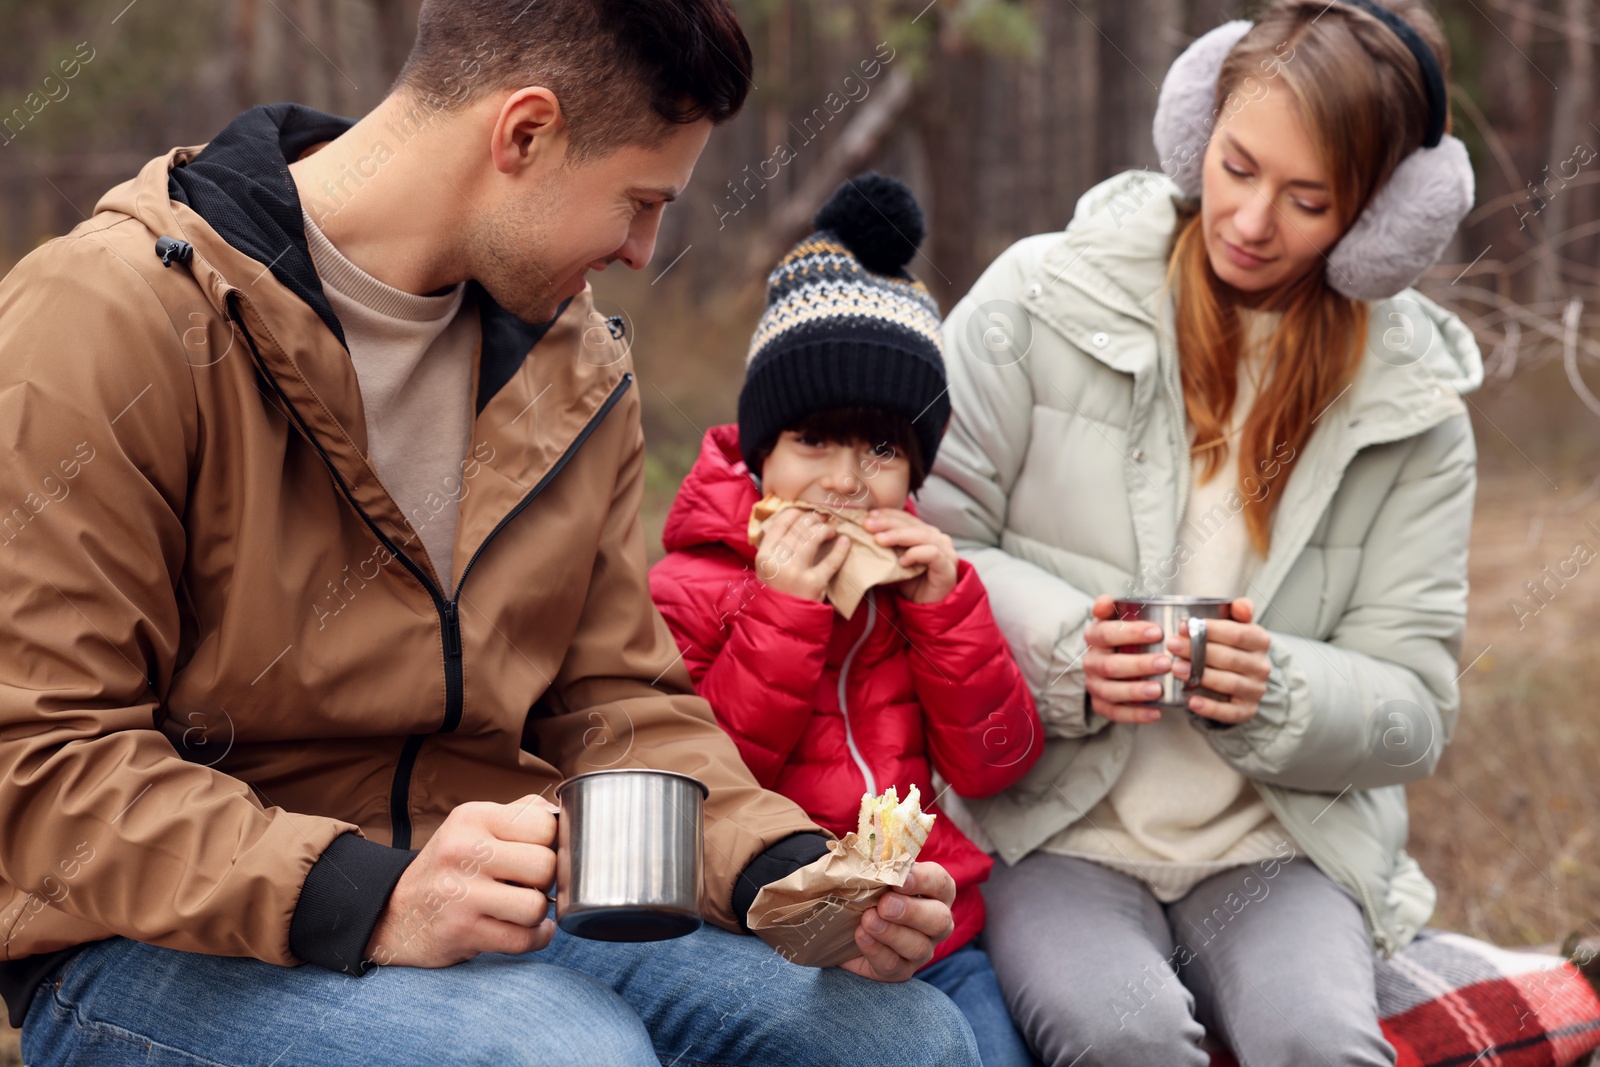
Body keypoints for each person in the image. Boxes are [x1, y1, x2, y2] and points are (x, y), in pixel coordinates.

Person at [0, 3, 981, 1065]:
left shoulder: (573, 370)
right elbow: (39, 757)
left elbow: (614, 702)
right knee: (562, 1051)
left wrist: (786, 871)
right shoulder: (107, 316)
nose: (646, 250)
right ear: (524, 133)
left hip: (490, 899)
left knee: (900, 1037)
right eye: (640, 202)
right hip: (146, 939)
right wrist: (369, 893)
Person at [916, 0, 1481, 1064]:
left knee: (1318, 1039)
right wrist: (1065, 651)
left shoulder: (1415, 410)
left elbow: (1414, 709)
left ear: (1379, 219)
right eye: (1234, 165)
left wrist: (1279, 691)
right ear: (1192, 133)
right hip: (1049, 829)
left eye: (1307, 199)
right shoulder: (1037, 300)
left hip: (1279, 846)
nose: (1250, 220)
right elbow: (922, 546)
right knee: (1115, 1029)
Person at [648, 174, 1044, 1067]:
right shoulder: (693, 584)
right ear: (761, 454)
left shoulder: (922, 587)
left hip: (932, 934)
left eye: (881, 448)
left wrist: (950, 610)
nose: (845, 479)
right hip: (774, 939)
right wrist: (783, 610)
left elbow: (1000, 764)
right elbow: (703, 789)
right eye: (813, 442)